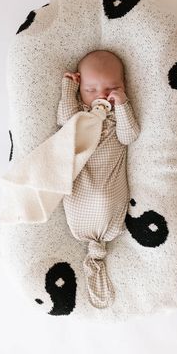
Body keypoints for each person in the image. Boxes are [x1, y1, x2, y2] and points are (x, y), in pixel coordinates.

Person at [57, 49, 140, 309]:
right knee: (82, 192)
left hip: (108, 181)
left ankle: (98, 250)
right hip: (80, 182)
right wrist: (67, 89)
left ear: (123, 86)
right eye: (91, 90)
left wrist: (123, 105)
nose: (101, 96)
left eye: (112, 88)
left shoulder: (118, 116)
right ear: (81, 87)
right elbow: (64, 122)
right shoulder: (79, 114)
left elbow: (130, 136)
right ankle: (95, 253)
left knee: (105, 197)